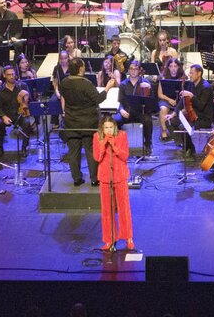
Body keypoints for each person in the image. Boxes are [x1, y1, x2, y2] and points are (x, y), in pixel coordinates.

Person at [59, 57, 116, 186]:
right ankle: (94, 179)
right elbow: (98, 99)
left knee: (73, 152)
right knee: (91, 151)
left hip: (71, 122)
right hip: (88, 123)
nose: (84, 68)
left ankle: (76, 179)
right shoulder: (86, 83)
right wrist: (107, 87)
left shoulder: (64, 82)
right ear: (80, 68)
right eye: (84, 66)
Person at [92, 116, 134, 251]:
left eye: (111, 127)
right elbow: (97, 157)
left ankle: (128, 238)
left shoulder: (122, 135)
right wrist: (104, 144)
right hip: (105, 178)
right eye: (106, 128)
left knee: (124, 209)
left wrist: (114, 146)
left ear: (115, 127)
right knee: (106, 210)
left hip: (120, 176)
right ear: (102, 128)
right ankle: (109, 239)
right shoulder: (97, 137)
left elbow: (125, 155)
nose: (109, 130)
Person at [170, 63, 213, 156]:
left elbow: (201, 106)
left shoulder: (206, 87)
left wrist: (191, 95)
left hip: (203, 118)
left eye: (192, 73)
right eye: (189, 73)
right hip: (191, 115)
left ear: (199, 73)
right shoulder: (191, 84)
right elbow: (183, 100)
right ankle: (183, 145)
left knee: (183, 127)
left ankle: (190, 148)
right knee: (171, 121)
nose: (190, 75)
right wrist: (174, 113)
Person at [116, 59, 156, 156]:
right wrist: (121, 110)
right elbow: (120, 101)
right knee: (116, 120)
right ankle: (117, 145)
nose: (133, 71)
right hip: (127, 112)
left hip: (140, 112)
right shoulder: (123, 84)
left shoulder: (145, 82)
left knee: (148, 120)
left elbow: (152, 101)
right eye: (131, 69)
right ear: (128, 70)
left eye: (135, 69)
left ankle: (147, 144)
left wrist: (149, 89)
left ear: (139, 70)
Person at [0, 65, 35, 149]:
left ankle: (24, 148)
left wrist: (26, 98)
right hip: (6, 115)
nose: (11, 76)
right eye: (9, 75)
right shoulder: (0, 90)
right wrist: (4, 116)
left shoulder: (22, 86)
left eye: (13, 74)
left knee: (27, 123)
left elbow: (30, 100)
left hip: (20, 114)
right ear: (4, 75)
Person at [156, 57, 185, 140]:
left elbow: (184, 92)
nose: (173, 69)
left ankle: (179, 133)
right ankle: (164, 131)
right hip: (166, 100)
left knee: (184, 110)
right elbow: (160, 94)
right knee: (163, 109)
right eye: (171, 66)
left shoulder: (182, 78)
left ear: (178, 67)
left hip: (179, 101)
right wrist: (169, 100)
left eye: (175, 66)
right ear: (168, 67)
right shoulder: (163, 77)